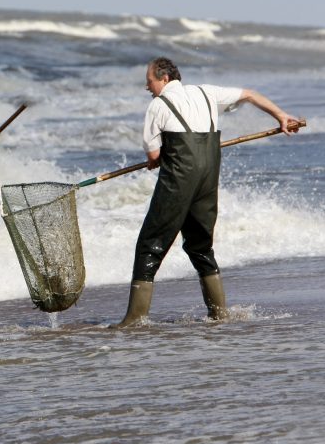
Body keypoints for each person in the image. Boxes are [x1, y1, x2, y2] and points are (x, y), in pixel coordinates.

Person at [117, 57, 300, 328]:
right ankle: (218, 314)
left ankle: (134, 319)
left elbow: (154, 155)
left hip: (179, 181)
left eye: (150, 82)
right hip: (207, 178)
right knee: (200, 245)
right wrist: (281, 116)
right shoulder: (207, 93)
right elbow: (249, 94)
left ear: (164, 79)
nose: (148, 88)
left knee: (150, 244)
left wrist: (154, 159)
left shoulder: (158, 106)